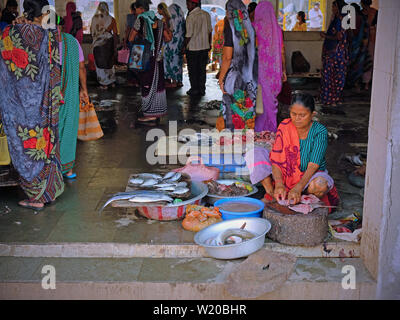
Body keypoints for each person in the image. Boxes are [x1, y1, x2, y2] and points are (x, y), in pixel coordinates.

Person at [0, 0, 64, 210]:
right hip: (46, 102)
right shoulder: (53, 34)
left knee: (25, 143)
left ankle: (36, 196)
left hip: (22, 103)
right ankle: (48, 191)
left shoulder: (11, 33)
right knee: (47, 141)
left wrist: (18, 24)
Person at [244, 92, 339, 209]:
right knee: (255, 153)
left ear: (312, 114)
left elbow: (313, 166)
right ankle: (273, 194)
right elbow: (277, 159)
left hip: (309, 176)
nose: (297, 119)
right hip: (285, 174)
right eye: (293, 114)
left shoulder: (320, 131)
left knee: (320, 185)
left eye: (302, 115)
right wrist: (279, 184)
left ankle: (303, 198)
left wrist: (298, 188)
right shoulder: (285, 126)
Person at [128, 0, 172, 123]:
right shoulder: (159, 20)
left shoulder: (140, 20)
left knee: (147, 84)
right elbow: (168, 38)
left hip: (146, 59)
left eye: (136, 9)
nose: (135, 12)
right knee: (158, 84)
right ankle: (158, 111)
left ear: (140, 9)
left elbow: (131, 38)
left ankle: (150, 115)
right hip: (158, 58)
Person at [216, 0, 257, 132]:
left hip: (234, 77)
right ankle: (245, 146)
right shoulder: (249, 27)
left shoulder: (230, 26)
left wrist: (221, 78)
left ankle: (232, 145)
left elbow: (228, 57)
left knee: (231, 112)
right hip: (250, 77)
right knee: (247, 112)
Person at [57, 16, 89, 179]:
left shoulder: (42, 43)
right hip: (70, 91)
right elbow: (81, 68)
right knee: (69, 127)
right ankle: (67, 169)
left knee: (53, 129)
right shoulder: (72, 42)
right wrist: (83, 89)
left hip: (52, 92)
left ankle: (53, 169)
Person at [253, 0, 286, 133]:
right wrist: (284, 71)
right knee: (270, 102)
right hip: (273, 73)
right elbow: (282, 51)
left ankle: (258, 130)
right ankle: (271, 130)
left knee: (259, 101)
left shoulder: (253, 28)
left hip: (258, 72)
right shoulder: (277, 29)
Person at [319, 0, 349, 106]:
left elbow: (339, 37)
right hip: (340, 52)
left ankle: (330, 99)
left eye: (334, 7)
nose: (333, 9)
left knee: (330, 76)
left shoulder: (338, 20)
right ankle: (335, 98)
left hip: (334, 52)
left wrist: (325, 36)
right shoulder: (343, 19)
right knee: (337, 76)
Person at [184, 0, 212, 97]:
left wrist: (184, 47)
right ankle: (201, 89)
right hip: (204, 47)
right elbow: (209, 31)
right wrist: (209, 43)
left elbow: (188, 35)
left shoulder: (191, 16)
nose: (187, 6)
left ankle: (194, 89)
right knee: (201, 70)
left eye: (188, 4)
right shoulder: (206, 14)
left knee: (193, 70)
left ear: (193, 4)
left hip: (193, 48)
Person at [90, 2, 118, 90]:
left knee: (100, 64)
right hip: (108, 43)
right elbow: (115, 33)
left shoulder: (94, 18)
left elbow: (92, 32)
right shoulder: (112, 19)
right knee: (109, 63)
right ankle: (111, 82)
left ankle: (104, 84)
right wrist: (115, 46)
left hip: (97, 44)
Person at [346, 3, 369, 91]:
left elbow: (351, 34)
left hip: (355, 46)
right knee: (358, 66)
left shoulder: (353, 19)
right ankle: (356, 84)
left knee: (353, 65)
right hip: (361, 46)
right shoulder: (363, 19)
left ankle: (353, 84)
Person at [163, 3, 185, 88]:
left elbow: (169, 33)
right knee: (178, 62)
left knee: (170, 61)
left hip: (171, 44)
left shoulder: (171, 20)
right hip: (179, 43)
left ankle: (173, 82)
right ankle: (179, 81)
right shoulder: (181, 18)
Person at [361, 0, 378, 91]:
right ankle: (365, 82)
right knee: (366, 61)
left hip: (370, 39)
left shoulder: (373, 12)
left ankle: (366, 83)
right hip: (366, 40)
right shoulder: (373, 12)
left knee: (368, 60)